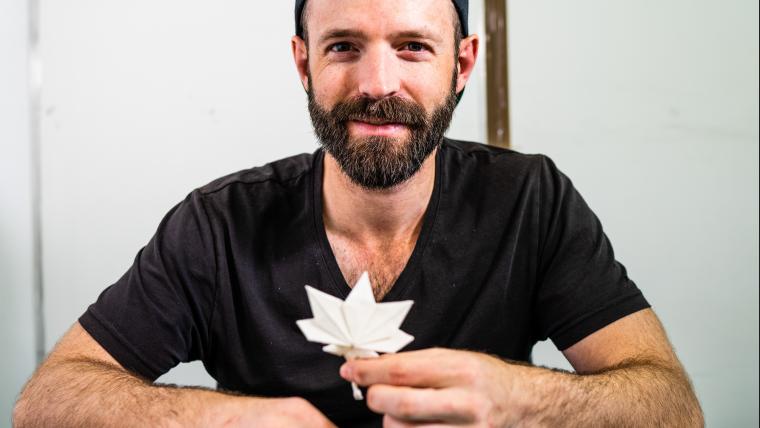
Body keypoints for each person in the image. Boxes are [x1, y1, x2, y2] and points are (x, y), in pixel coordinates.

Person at [14, 0, 704, 426]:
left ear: (462, 64)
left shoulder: (531, 201)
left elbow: (673, 408)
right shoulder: (218, 226)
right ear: (303, 63)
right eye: (344, 46)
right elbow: (44, 404)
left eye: (413, 46)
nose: (379, 84)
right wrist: (226, 422)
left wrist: (523, 403)